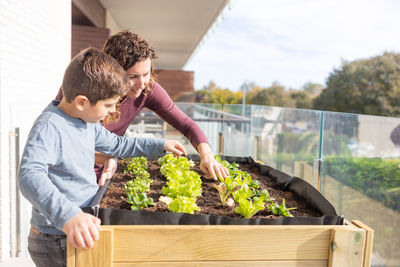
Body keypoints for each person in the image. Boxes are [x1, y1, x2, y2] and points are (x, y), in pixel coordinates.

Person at [18, 47, 186, 267]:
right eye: (108, 105)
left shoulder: (86, 122)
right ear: (81, 102)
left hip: (79, 226)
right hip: (56, 239)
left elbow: (118, 144)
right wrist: (68, 215)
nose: (112, 110)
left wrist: (160, 145)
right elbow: (30, 175)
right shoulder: (50, 126)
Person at [56, 30, 229, 185]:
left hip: (104, 176)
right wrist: (106, 157)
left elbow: (186, 124)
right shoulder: (82, 90)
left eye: (146, 73)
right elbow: (63, 144)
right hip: (68, 179)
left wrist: (206, 156)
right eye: (132, 76)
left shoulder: (147, 89)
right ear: (112, 72)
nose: (142, 84)